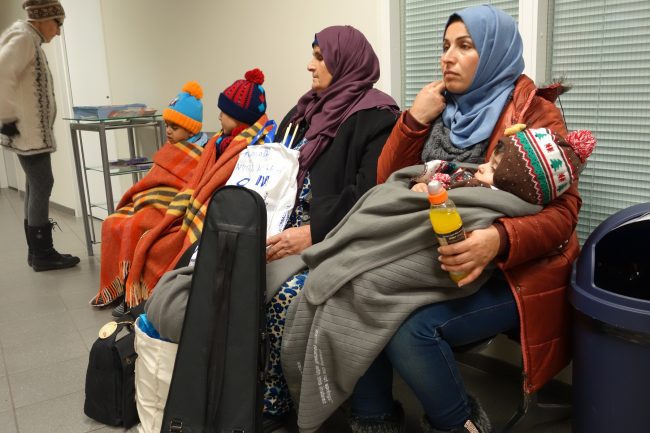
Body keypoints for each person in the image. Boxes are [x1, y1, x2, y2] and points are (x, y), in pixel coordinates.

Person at [345, 6, 581, 433]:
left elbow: (563, 215)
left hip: (515, 271)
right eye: (445, 46)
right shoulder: (438, 107)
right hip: (430, 257)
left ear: (494, 53)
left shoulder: (534, 114)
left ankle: (459, 424)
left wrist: (499, 239)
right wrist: (414, 120)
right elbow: (385, 184)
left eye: (464, 46)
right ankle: (374, 419)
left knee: (408, 327)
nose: (447, 58)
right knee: (357, 292)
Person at [262, 25, 399, 425]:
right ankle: (237, 380)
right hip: (281, 225)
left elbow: (367, 194)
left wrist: (313, 233)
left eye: (320, 57)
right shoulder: (302, 112)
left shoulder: (377, 118)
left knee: (287, 295)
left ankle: (282, 401)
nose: (310, 65)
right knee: (229, 273)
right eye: (313, 55)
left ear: (346, 61)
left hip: (333, 237)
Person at [118, 68, 273, 311]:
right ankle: (143, 297)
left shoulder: (253, 149)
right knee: (153, 237)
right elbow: (196, 184)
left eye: (224, 112)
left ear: (239, 117)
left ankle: (154, 301)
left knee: (168, 247)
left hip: (219, 217)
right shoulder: (219, 142)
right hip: (197, 206)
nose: (219, 116)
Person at [91, 81, 209, 308]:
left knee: (136, 226)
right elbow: (152, 181)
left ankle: (134, 290)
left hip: (172, 209)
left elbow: (191, 186)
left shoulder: (202, 152)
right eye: (167, 125)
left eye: (175, 127)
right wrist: (145, 198)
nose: (169, 131)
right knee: (112, 223)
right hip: (150, 201)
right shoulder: (171, 146)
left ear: (191, 129)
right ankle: (121, 284)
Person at [0, 0, 79, 272]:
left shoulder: (28, 38)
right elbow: (2, 72)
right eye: (58, 23)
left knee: (35, 184)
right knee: (43, 182)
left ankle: (36, 252)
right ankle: (43, 253)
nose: (59, 31)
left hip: (28, 133)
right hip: (28, 133)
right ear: (44, 19)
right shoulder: (24, 38)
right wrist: (6, 117)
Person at [411, 128, 596, 206]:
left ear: (514, 185)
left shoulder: (481, 190)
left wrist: (431, 193)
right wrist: (422, 184)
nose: (481, 167)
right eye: (489, 162)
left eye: (494, 168)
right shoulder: (470, 177)